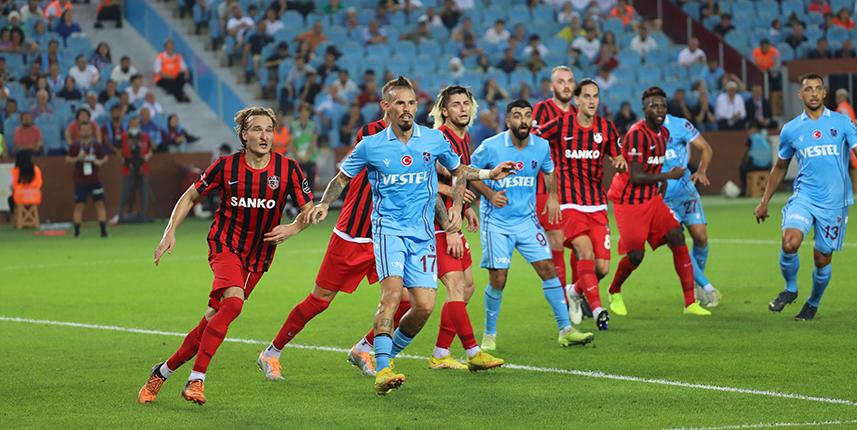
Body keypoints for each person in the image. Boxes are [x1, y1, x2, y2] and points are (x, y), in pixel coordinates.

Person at [302, 76, 516, 395]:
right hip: (388, 231)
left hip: (422, 235)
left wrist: (489, 173)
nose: (406, 108)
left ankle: (381, 355)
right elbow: (341, 178)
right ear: (387, 107)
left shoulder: (432, 141)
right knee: (391, 296)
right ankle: (384, 367)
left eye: (411, 103)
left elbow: (458, 171)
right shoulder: (371, 145)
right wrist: (323, 204)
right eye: (399, 103)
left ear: (417, 106)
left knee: (425, 306)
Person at [137, 106, 314, 406]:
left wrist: (294, 227)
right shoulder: (226, 166)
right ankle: (197, 380)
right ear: (244, 135)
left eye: (269, 130)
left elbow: (309, 210)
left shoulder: (288, 169)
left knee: (212, 319)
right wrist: (169, 231)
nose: (264, 135)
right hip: (225, 245)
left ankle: (162, 372)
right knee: (233, 303)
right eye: (257, 129)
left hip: (258, 257)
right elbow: (191, 195)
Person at [474, 98, 595, 347]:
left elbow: (550, 170)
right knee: (499, 279)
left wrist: (552, 196)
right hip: (496, 221)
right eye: (517, 116)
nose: (523, 120)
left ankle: (565, 330)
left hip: (527, 221)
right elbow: (469, 172)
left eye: (527, 115)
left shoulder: (541, 146)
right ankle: (489, 335)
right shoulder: (491, 146)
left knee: (548, 269)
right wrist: (489, 194)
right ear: (508, 121)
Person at [754, 73, 857, 321]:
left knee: (822, 258)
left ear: (824, 94)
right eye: (808, 89)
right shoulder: (791, 129)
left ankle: (812, 303)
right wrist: (764, 201)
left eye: (817, 88)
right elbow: (780, 167)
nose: (813, 93)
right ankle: (790, 289)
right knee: (789, 242)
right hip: (805, 197)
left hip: (834, 203)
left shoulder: (843, 123)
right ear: (800, 95)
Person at [605, 87, 711, 316]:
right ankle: (614, 291)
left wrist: (660, 189)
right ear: (644, 109)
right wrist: (667, 177)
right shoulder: (635, 134)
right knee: (636, 255)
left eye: (662, 105)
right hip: (628, 202)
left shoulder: (663, 134)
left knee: (676, 235)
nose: (659, 109)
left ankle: (690, 302)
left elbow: (654, 166)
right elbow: (636, 176)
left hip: (651, 198)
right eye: (654, 105)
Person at [536, 79, 626, 330]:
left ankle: (574, 292)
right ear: (576, 100)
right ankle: (598, 310)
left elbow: (617, 154)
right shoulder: (561, 124)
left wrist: (619, 161)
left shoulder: (606, 128)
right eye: (586, 96)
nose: (591, 101)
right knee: (584, 252)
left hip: (597, 205)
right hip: (569, 204)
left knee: (602, 268)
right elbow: (534, 139)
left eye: (595, 96)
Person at [424, 85, 502, 368]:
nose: (462, 108)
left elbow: (458, 178)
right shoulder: (438, 138)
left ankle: (441, 353)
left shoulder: (462, 137)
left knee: (467, 287)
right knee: (455, 286)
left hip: (452, 219)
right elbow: (425, 181)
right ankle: (473, 352)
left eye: (466, 103)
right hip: (435, 225)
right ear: (443, 110)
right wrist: (451, 228)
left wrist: (466, 207)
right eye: (455, 104)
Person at [661, 113, 721, 307]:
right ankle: (706, 287)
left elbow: (706, 148)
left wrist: (701, 170)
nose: (658, 108)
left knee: (701, 237)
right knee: (677, 242)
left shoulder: (680, 125)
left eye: (661, 104)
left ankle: (695, 282)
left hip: (685, 190)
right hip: (661, 197)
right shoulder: (642, 131)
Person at [532, 66, 576, 289]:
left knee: (581, 244)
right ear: (552, 86)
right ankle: (565, 300)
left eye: (570, 81)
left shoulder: (578, 114)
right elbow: (532, 143)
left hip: (575, 189)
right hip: (548, 187)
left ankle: (579, 291)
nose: (566, 85)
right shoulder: (541, 110)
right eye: (561, 81)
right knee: (557, 240)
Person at [65, 122, 108, 238]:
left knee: (100, 204)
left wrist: (98, 162)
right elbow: (68, 159)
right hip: (80, 180)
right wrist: (77, 158)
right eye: (83, 130)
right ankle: (77, 232)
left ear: (91, 131)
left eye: (88, 130)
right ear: (79, 132)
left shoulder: (96, 145)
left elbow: (105, 158)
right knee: (79, 205)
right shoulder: (75, 145)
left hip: (94, 179)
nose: (86, 132)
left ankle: (103, 232)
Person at [117, 115, 153, 222]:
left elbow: (151, 149)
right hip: (129, 167)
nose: (135, 125)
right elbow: (118, 150)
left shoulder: (145, 136)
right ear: (129, 124)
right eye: (133, 123)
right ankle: (121, 214)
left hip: (143, 166)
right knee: (126, 191)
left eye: (137, 123)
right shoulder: (124, 136)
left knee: (144, 191)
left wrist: (146, 157)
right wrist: (123, 159)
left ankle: (143, 214)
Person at [290, 103, 318, 193]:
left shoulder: (313, 125)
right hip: (297, 158)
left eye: (306, 112)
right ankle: (298, 203)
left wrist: (307, 156)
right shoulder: (293, 125)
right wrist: (298, 155)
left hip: (310, 158)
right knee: (297, 181)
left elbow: (314, 143)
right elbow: (292, 143)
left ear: (309, 113)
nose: (304, 114)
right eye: (302, 112)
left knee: (310, 182)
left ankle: (311, 203)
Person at [9, 150, 42, 218]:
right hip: (35, 198)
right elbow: (39, 184)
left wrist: (22, 188)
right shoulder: (36, 169)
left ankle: (18, 218)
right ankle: (29, 218)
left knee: (10, 199)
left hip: (20, 198)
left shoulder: (16, 170)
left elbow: (15, 186)